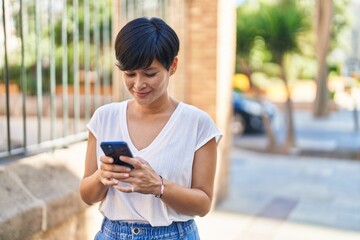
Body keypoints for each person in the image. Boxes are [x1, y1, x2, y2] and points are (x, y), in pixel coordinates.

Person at [80, 17, 222, 240]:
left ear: (172, 66)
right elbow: (87, 195)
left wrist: (159, 186)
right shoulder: (104, 118)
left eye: (149, 73)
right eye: (129, 74)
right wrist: (101, 176)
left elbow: (203, 204)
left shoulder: (198, 124)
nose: (138, 84)